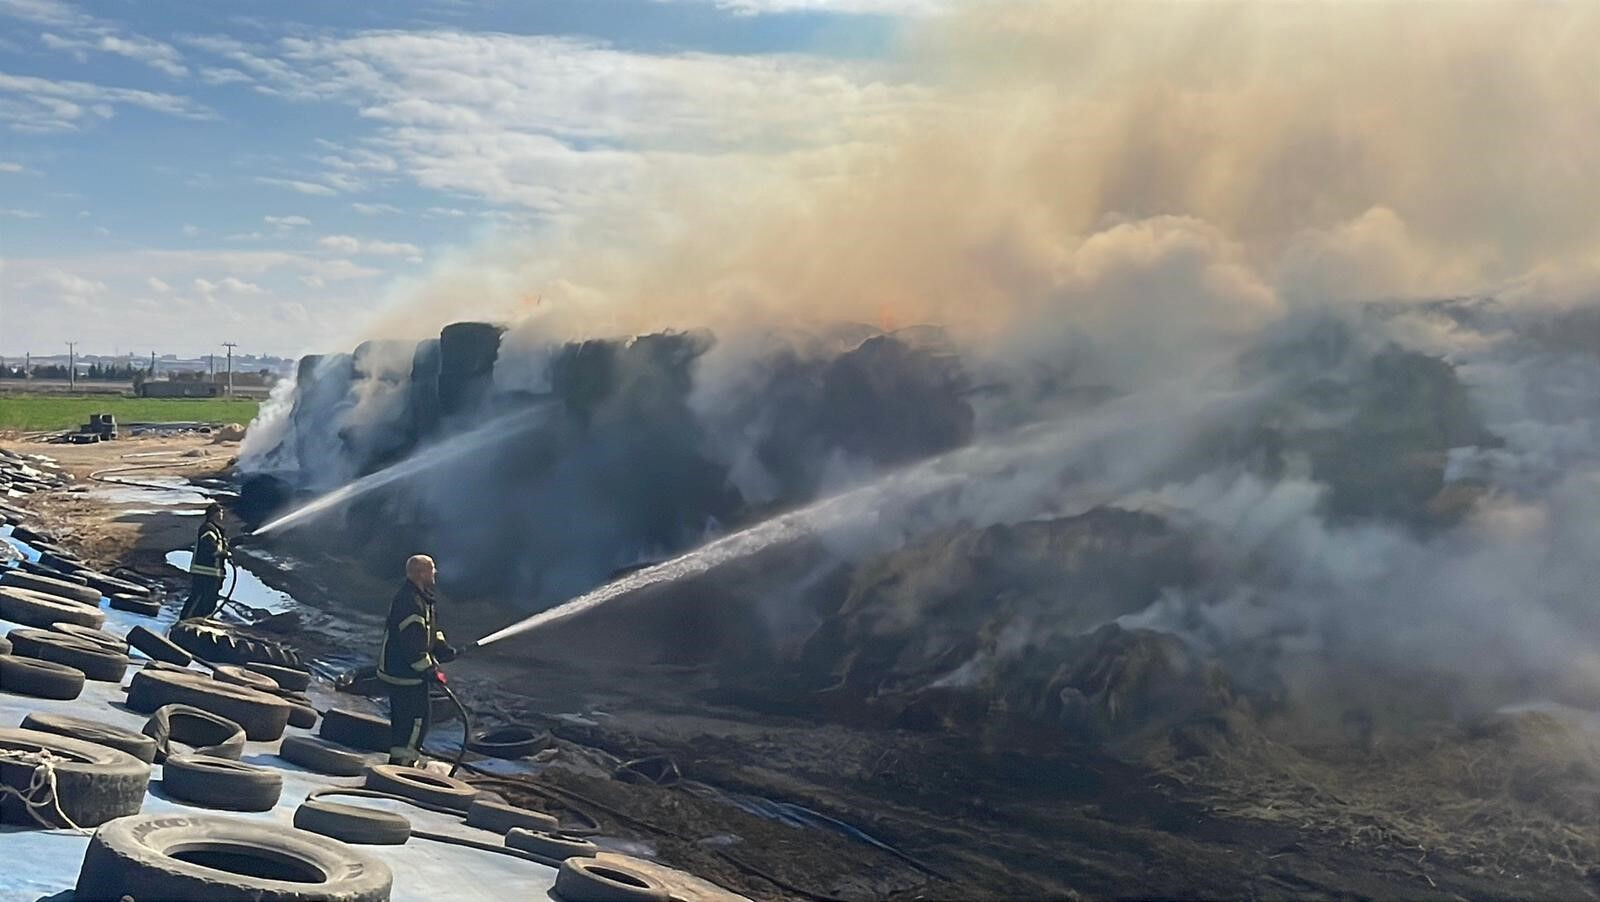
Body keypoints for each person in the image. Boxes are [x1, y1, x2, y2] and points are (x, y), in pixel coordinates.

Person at [378, 554, 463, 766]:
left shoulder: (420, 598)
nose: (435, 573)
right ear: (421, 573)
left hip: (402, 672)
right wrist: (430, 671)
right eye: (432, 569)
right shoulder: (411, 602)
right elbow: (412, 645)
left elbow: (428, 631)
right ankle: (403, 767)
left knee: (405, 722)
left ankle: (398, 763)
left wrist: (442, 648)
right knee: (416, 722)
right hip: (405, 675)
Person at [179, 502, 229, 620]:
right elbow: (209, 545)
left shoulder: (216, 530)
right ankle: (185, 621)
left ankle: (201, 620)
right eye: (220, 512)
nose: (222, 515)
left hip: (213, 573)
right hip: (204, 572)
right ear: (214, 514)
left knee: (209, 600)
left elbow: (219, 546)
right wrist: (223, 553)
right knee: (198, 598)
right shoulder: (208, 528)